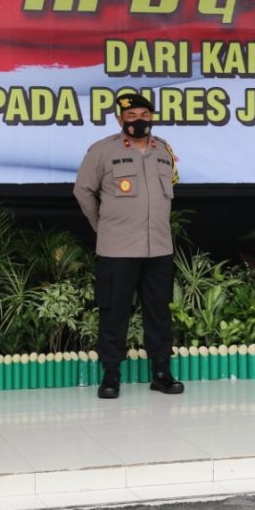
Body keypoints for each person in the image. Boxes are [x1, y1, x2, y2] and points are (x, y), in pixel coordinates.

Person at [73, 91, 184, 399]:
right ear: (120, 119)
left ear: (152, 117)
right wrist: (103, 226)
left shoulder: (163, 151)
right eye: (132, 116)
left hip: (159, 248)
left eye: (144, 115)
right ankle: (110, 375)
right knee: (114, 312)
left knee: (159, 313)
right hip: (117, 250)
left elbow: (169, 187)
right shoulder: (102, 151)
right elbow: (83, 191)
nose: (139, 121)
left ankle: (161, 372)